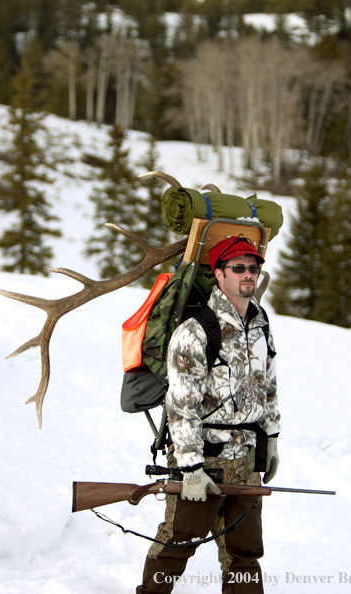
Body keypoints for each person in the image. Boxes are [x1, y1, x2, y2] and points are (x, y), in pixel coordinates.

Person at [136, 235, 281, 594]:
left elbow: (269, 385)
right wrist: (190, 469)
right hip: (204, 457)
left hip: (245, 458)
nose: (248, 274)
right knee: (177, 542)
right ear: (219, 274)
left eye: (253, 266)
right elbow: (181, 406)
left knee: (244, 552)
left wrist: (272, 438)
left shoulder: (261, 323)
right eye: (238, 268)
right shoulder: (195, 331)